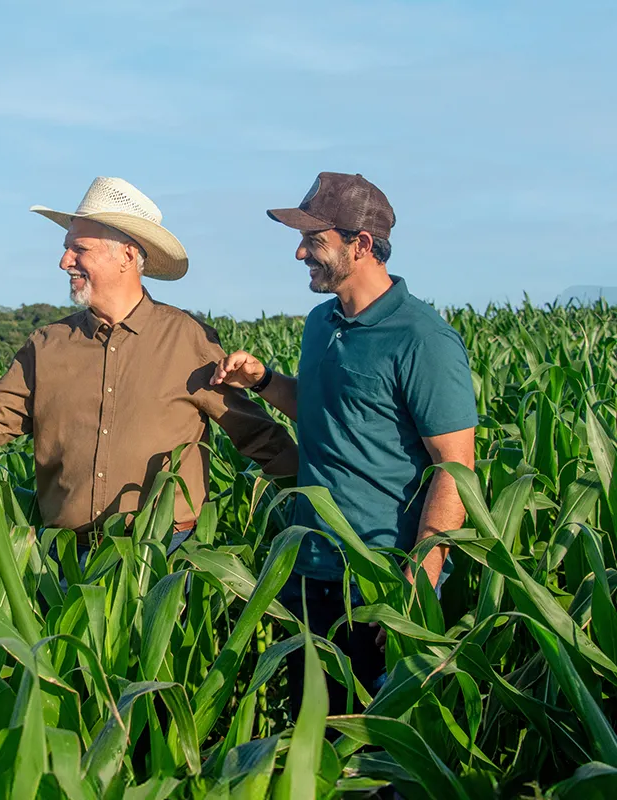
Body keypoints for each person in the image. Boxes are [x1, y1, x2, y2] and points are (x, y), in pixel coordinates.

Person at [0, 177, 297, 550]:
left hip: (165, 556)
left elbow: (257, 436)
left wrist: (322, 504)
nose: (64, 261)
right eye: (67, 249)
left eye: (78, 249)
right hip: (65, 560)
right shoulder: (47, 345)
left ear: (127, 255)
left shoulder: (187, 339)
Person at [211, 171, 477, 712]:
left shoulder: (422, 339)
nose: (299, 253)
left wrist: (416, 584)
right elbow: (321, 411)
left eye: (314, 241)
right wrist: (263, 381)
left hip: (379, 578)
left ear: (360, 245)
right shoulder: (320, 322)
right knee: (312, 728)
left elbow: (455, 468)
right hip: (308, 565)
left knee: (375, 749)